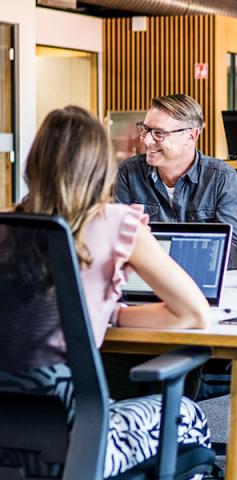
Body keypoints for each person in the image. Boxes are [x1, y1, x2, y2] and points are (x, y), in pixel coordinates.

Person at [0, 106, 212, 479]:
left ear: (34, 163)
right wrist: (115, 314)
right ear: (101, 168)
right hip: (77, 432)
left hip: (8, 432)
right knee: (188, 416)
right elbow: (194, 313)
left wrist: (104, 313)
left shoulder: (7, 223)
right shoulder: (115, 222)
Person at [115, 94, 237, 270]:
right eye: (145, 129)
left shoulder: (221, 177)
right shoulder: (128, 172)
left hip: (202, 282)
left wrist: (173, 260)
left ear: (191, 136)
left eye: (159, 133)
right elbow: (117, 240)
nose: (146, 140)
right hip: (147, 280)